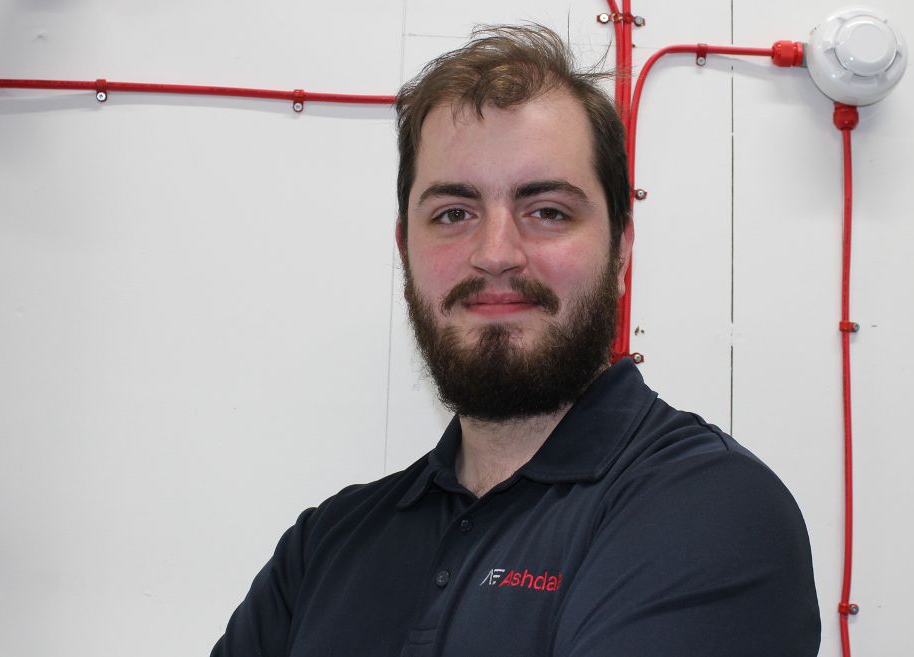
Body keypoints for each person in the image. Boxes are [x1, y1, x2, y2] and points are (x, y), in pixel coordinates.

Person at [212, 25, 820, 657]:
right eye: (454, 213)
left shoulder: (711, 511)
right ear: (405, 250)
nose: (495, 254)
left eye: (548, 210)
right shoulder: (325, 549)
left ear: (621, 252)